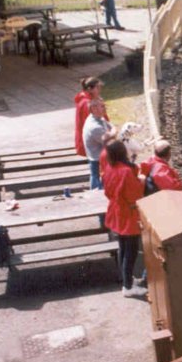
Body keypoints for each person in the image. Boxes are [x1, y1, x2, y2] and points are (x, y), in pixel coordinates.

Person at [103, 139, 145, 297]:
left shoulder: (109, 168)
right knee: (131, 251)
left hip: (115, 211)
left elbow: (107, 192)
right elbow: (135, 195)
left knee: (123, 248)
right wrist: (140, 181)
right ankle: (128, 287)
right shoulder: (126, 171)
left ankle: (126, 280)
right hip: (128, 214)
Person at [82, 99, 115, 189]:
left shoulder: (97, 118)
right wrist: (114, 131)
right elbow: (111, 140)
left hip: (97, 157)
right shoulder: (94, 127)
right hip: (98, 160)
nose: (105, 108)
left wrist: (112, 130)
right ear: (94, 109)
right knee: (98, 182)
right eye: (103, 106)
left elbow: (110, 126)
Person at [74, 77, 106, 157]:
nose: (100, 90)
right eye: (97, 87)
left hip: (88, 142)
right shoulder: (87, 104)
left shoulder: (88, 100)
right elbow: (97, 123)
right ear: (89, 89)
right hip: (91, 145)